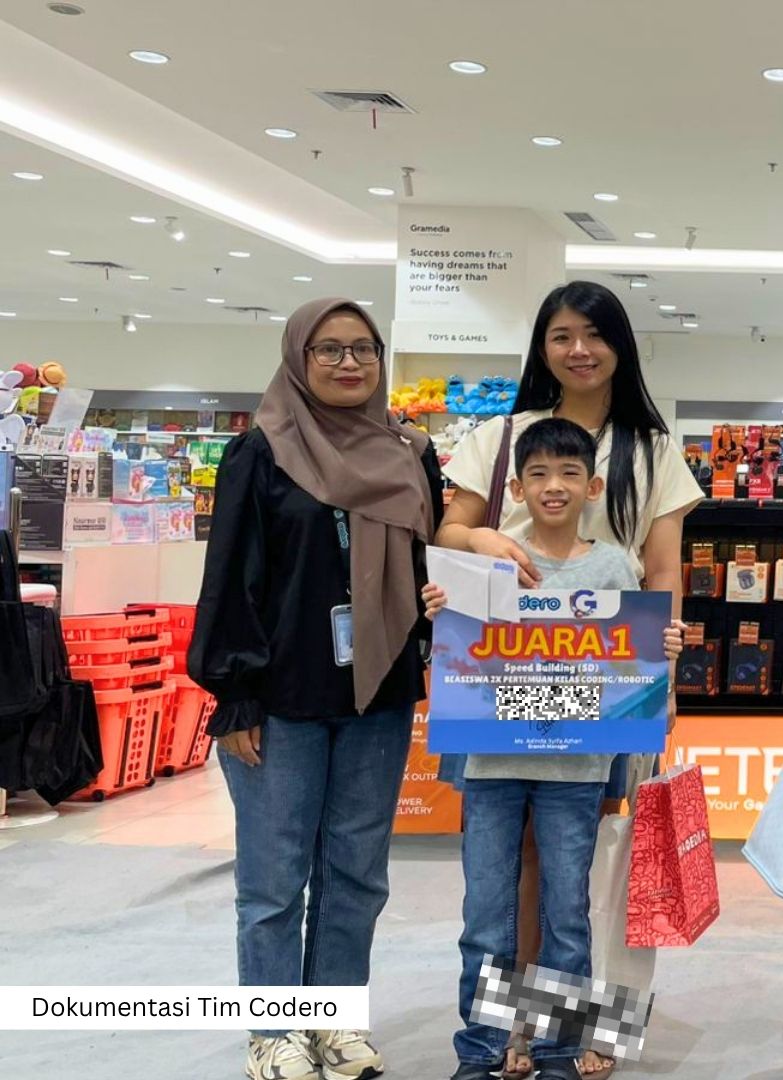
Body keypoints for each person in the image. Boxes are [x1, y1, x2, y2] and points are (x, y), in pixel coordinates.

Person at [436, 281, 702, 1080]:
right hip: (497, 678)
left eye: (593, 333)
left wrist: (666, 679)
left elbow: (661, 569)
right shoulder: (499, 433)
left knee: (598, 861)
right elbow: (448, 527)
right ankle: (516, 1031)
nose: (578, 349)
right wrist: (482, 536)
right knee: (507, 870)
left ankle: (593, 1032)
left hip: (605, 679)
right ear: (540, 347)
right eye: (560, 335)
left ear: (620, 343)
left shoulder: (653, 448)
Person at [189, 298, 443, 1080]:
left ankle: (333, 1020)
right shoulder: (259, 453)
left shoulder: (409, 451)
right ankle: (273, 1032)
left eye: (363, 349)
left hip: (379, 694)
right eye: (329, 349)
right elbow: (229, 577)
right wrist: (233, 696)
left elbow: (429, 559)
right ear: (298, 357)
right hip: (279, 698)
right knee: (274, 877)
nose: (347, 364)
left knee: (357, 872)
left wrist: (437, 608)